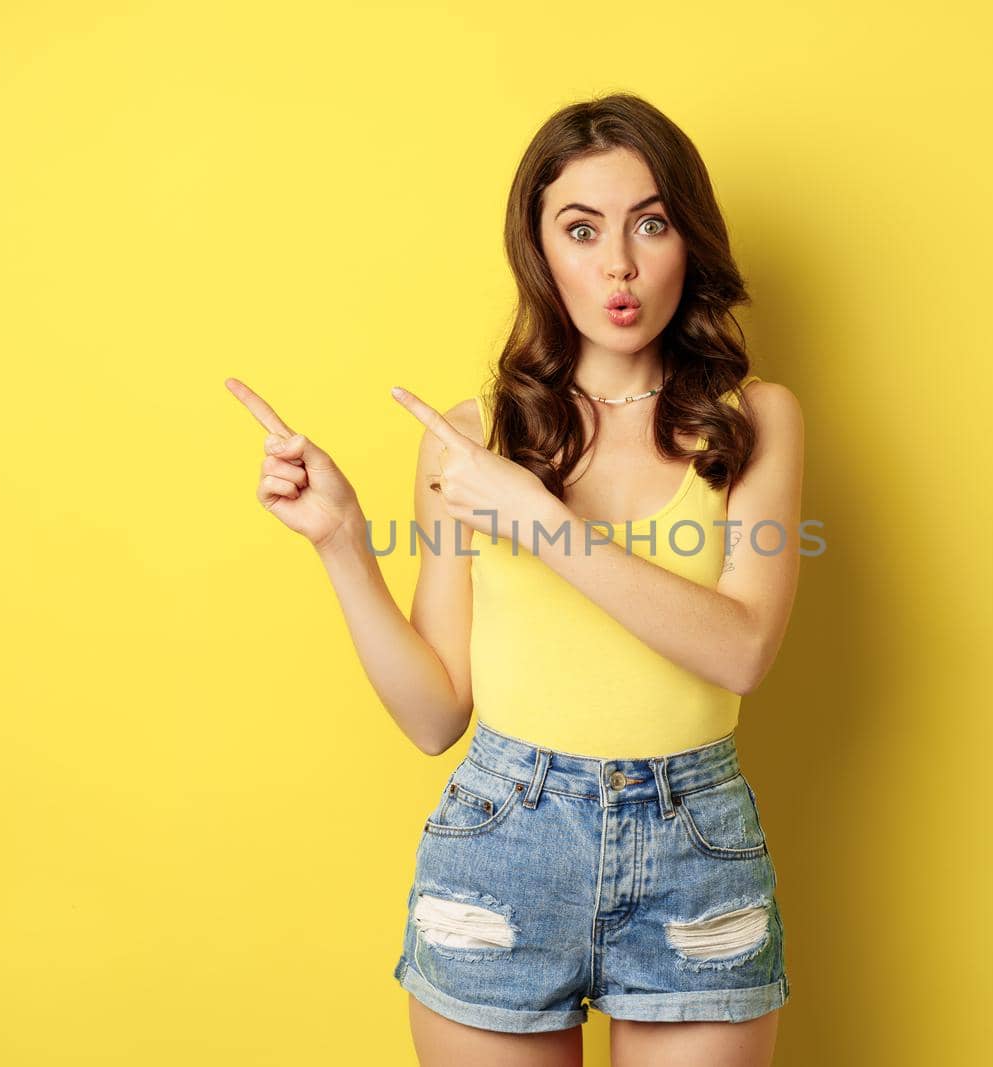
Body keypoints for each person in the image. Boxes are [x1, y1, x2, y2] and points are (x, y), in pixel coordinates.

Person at [226, 92, 805, 1067]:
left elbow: (742, 648)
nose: (617, 264)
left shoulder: (754, 421)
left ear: (687, 240)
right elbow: (432, 713)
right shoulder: (473, 441)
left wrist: (540, 522)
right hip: (503, 839)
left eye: (648, 224)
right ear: (540, 250)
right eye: (581, 229)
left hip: (694, 850)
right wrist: (342, 542)